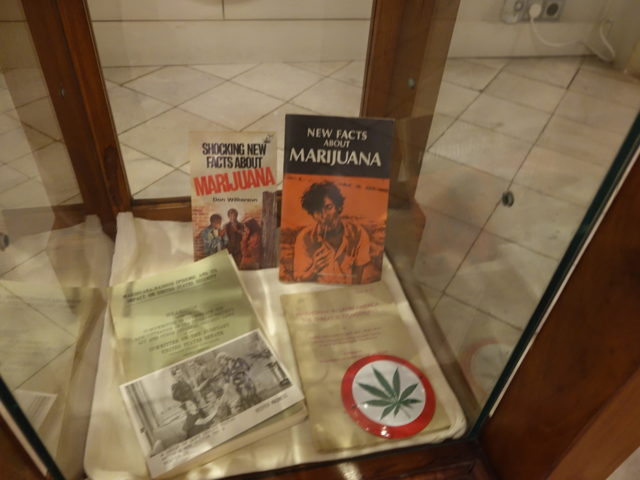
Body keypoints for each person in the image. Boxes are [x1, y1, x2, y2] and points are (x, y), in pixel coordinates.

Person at [292, 181, 370, 284]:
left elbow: (357, 280)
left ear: (339, 207)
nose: (324, 216)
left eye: (328, 207)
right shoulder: (304, 238)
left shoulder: (358, 234)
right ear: (312, 215)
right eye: (318, 211)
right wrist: (314, 269)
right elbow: (298, 279)